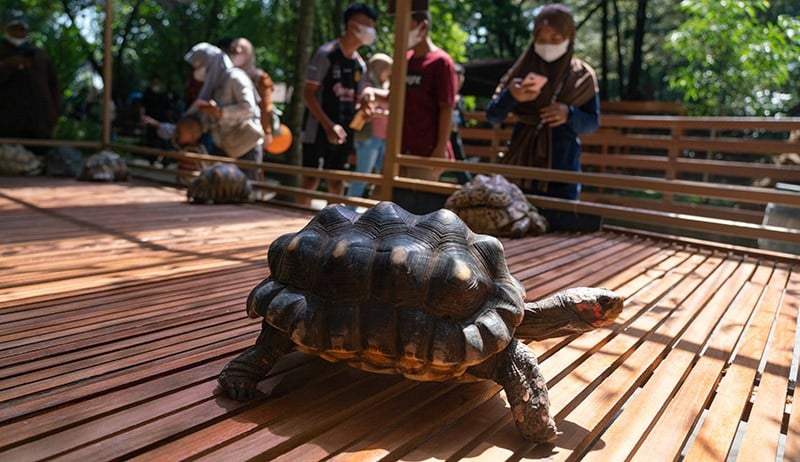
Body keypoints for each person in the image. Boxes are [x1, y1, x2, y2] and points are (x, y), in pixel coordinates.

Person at [486, 4, 600, 230]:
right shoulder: (520, 71)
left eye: (555, 37)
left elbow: (592, 123)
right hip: (520, 164)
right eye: (541, 37)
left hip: (562, 168)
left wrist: (569, 114)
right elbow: (492, 116)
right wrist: (513, 95)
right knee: (515, 229)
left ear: (569, 37)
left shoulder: (582, 76)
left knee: (562, 233)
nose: (547, 44)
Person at [300, 2, 377, 206]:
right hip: (317, 128)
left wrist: (366, 108)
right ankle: (295, 227)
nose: (372, 30)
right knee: (310, 178)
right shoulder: (326, 54)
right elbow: (308, 94)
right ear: (352, 25)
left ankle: (333, 227)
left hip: (345, 130)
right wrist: (328, 125)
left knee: (337, 180)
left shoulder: (360, 64)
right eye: (367, 24)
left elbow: (359, 98)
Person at [183, 42, 264, 181]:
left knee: (248, 195)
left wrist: (221, 113)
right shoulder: (215, 85)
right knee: (218, 191)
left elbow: (248, 108)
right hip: (222, 146)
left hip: (245, 146)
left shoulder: (236, 77)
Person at [400, 10, 458, 182]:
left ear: (422, 26)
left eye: (406, 25)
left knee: (417, 205)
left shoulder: (441, 62)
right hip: (399, 148)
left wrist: (440, 149)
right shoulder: (405, 60)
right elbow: (393, 97)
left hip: (426, 152)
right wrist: (371, 94)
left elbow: (447, 107)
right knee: (386, 204)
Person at [0, 9, 62, 147]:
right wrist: (8, 65)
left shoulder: (39, 55)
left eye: (21, 28)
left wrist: (54, 114)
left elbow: (54, 85)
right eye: (14, 28)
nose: (18, 32)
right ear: (5, 28)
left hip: (38, 127)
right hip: (6, 128)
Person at [347, 53, 392, 202]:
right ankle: (350, 210)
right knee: (363, 175)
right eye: (388, 69)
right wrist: (384, 114)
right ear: (380, 69)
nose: (390, 73)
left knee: (385, 175)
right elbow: (363, 110)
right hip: (369, 137)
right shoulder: (367, 86)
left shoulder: (384, 87)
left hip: (383, 137)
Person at [227, 37, 275, 152]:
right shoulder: (226, 75)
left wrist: (267, 131)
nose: (235, 54)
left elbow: (266, 106)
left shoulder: (260, 78)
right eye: (232, 51)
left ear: (248, 54)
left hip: (251, 136)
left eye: (239, 51)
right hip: (228, 135)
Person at [448, 62, 472, 184]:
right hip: (444, 132)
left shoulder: (460, 99)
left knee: (459, 158)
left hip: (454, 132)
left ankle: (467, 183)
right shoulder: (446, 95)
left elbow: (461, 117)